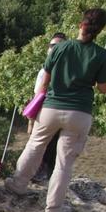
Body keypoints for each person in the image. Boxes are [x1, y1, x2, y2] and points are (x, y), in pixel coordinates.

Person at [5, 8, 106, 212]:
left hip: (51, 107)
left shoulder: (60, 48)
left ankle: (18, 184)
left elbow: (44, 81)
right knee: (64, 162)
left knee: (35, 145)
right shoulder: (101, 54)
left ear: (81, 25)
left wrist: (38, 105)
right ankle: (54, 207)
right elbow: (104, 88)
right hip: (80, 112)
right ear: (101, 30)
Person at [31, 32, 67, 184]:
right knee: (39, 145)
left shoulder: (69, 71)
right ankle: (34, 174)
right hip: (45, 111)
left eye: (59, 46)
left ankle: (50, 177)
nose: (55, 49)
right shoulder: (43, 71)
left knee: (56, 148)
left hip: (63, 111)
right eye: (52, 45)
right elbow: (38, 93)